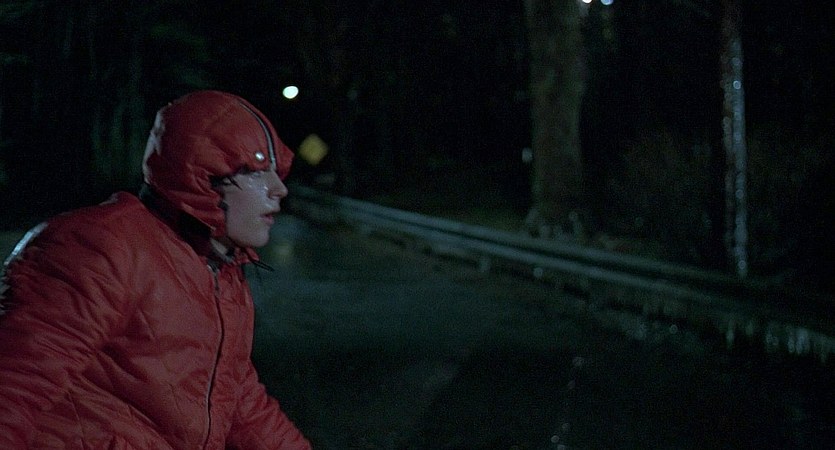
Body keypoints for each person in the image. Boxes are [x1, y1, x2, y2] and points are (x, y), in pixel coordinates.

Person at [0, 90, 311, 449]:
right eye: (255, 172)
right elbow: (15, 387)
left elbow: (239, 400)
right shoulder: (102, 247)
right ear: (202, 178)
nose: (279, 189)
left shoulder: (219, 269)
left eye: (276, 172)